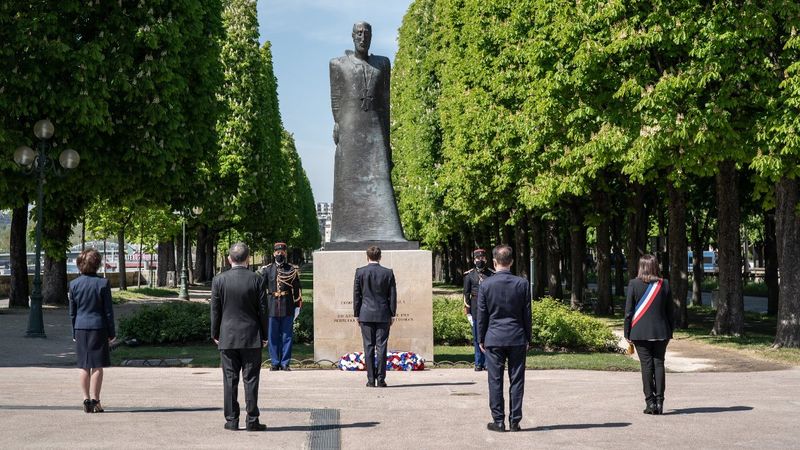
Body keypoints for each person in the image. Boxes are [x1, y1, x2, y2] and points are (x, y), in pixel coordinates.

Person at [329, 21, 406, 243]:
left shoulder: (382, 63)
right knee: (347, 180)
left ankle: (388, 232)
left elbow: (385, 103)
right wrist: (338, 123)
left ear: (371, 37)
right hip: (350, 128)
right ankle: (344, 234)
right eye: (359, 33)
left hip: (374, 128)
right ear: (352, 37)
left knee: (380, 178)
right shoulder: (337, 64)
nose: (363, 37)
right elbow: (336, 98)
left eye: (366, 33)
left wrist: (386, 140)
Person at [210, 242, 268, 431]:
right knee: (250, 379)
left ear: (229, 259)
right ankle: (252, 420)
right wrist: (265, 335)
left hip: (227, 336)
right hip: (251, 336)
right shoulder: (257, 279)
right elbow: (263, 311)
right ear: (248, 259)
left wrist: (215, 333)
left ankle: (231, 420)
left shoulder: (219, 280)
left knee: (229, 379)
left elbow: (215, 311)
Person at [477, 245, 532, 432]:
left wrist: (480, 338)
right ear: (512, 262)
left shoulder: (485, 284)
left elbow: (482, 315)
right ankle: (515, 421)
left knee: (495, 380)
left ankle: (498, 421)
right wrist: (528, 338)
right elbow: (527, 314)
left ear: (494, 262)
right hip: (517, 337)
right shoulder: (522, 283)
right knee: (517, 380)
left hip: (493, 338)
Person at [624, 254, 674, 415]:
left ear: (641, 267)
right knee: (659, 365)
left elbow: (628, 312)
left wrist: (627, 332)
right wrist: (670, 331)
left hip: (639, 332)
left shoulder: (633, 284)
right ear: (655, 266)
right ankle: (660, 402)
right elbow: (670, 312)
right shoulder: (664, 284)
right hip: (662, 332)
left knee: (646, 366)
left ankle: (650, 403)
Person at [69, 248, 115, 414]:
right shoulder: (103, 283)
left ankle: (85, 399)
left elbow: (72, 312)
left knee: (83, 365)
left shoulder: (74, 284)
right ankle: (96, 401)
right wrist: (112, 332)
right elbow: (108, 311)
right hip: (98, 327)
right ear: (97, 264)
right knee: (97, 366)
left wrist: (74, 331)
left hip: (80, 327)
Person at [353, 246, 397, 387]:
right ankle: (381, 379)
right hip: (383, 314)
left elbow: (356, 295)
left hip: (365, 314)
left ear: (367, 257)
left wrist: (356, 314)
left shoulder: (360, 272)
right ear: (380, 257)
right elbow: (393, 296)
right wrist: (392, 313)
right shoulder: (388, 273)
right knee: (382, 347)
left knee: (368, 347)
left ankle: (371, 380)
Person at [258, 242, 302, 371]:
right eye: (277, 252)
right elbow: (261, 290)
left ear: (285, 254)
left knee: (286, 336)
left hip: (287, 306)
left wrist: (297, 306)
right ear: (273, 253)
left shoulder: (291, 270)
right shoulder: (267, 270)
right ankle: (275, 362)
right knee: (272, 336)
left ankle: (285, 363)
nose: (279, 254)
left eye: (282, 252)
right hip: (272, 306)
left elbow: (297, 289)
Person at [463, 248, 494, 371]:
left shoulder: (491, 274)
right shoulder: (469, 275)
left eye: (482, 258)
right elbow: (466, 295)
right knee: (477, 338)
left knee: (487, 337)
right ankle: (478, 362)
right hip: (475, 309)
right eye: (477, 258)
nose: (480, 260)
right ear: (474, 259)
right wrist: (468, 313)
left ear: (485, 259)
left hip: (489, 310)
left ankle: (487, 362)